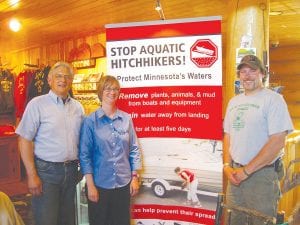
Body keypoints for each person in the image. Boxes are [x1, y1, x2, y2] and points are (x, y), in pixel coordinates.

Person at [223, 55, 294, 225]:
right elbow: (228, 135)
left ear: (262, 73)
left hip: (262, 176)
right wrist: (226, 166)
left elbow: (277, 141)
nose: (247, 75)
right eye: (243, 71)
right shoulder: (233, 102)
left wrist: (246, 171)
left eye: (252, 71)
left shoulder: (274, 100)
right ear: (239, 76)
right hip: (235, 175)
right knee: (234, 220)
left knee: (261, 222)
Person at [15, 61, 84, 225]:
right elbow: (24, 139)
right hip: (47, 173)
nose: (63, 80)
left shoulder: (78, 107)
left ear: (71, 81)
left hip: (73, 172)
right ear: (49, 80)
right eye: (58, 76)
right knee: (47, 219)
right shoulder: (37, 104)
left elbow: (82, 140)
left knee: (68, 220)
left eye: (67, 77)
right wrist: (32, 175)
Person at [79, 75, 142, 225]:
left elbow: (134, 148)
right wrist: (90, 185)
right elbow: (84, 155)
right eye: (108, 88)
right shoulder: (90, 121)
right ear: (101, 92)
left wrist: (134, 177)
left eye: (115, 89)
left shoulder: (126, 119)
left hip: (123, 184)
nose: (112, 92)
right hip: (99, 185)